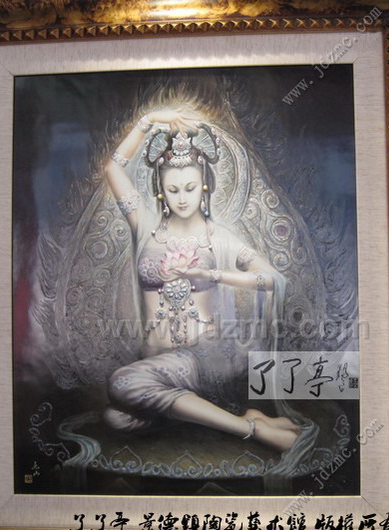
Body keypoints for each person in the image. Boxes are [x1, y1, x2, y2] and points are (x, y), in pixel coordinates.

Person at [102, 107, 300, 452]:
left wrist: (211, 274)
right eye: (173, 189)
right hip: (157, 361)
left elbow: (270, 279)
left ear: (203, 186)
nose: (182, 197)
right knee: (115, 418)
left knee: (122, 383)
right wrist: (149, 120)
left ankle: (252, 429)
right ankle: (239, 417)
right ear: (161, 190)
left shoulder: (217, 237)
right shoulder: (145, 227)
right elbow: (112, 169)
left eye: (190, 188)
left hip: (206, 357)